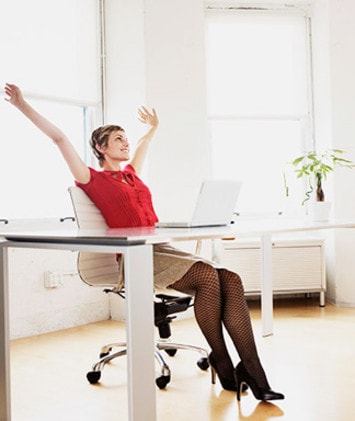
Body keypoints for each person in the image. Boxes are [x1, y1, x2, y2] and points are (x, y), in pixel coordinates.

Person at [4, 83, 284, 401]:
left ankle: (249, 369)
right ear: (100, 147)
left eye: (126, 138)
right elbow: (59, 138)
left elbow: (142, 146)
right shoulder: (91, 179)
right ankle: (224, 363)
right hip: (134, 256)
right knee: (208, 277)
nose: (125, 144)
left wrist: (152, 130)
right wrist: (22, 105)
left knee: (230, 279)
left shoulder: (132, 175)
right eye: (118, 140)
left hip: (160, 248)